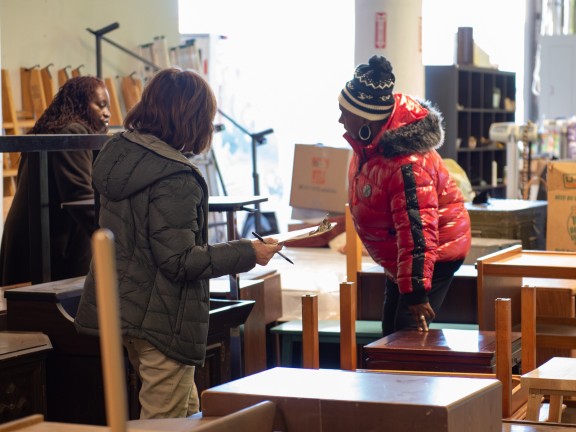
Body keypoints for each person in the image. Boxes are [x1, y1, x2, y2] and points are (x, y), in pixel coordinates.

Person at [74, 67, 283, 419]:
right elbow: (180, 260)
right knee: (164, 421)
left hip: (124, 309)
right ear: (193, 119)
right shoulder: (175, 176)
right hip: (162, 319)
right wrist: (249, 252)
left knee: (187, 413)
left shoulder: (121, 154)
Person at [338, 55, 471, 337]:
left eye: (344, 112)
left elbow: (418, 231)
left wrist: (417, 293)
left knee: (405, 335)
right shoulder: (369, 145)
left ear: (366, 118)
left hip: (433, 253)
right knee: (390, 332)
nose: (340, 119)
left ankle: (416, 379)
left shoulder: (406, 165)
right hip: (403, 255)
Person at [0, 76, 111, 285]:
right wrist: (114, 236)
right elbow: (80, 196)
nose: (107, 113)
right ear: (80, 104)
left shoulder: (57, 128)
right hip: (48, 246)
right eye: (101, 104)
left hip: (36, 240)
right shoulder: (72, 132)